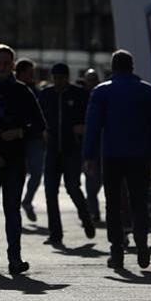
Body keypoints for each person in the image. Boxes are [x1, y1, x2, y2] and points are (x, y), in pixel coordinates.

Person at [84, 50, 151, 271]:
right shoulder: (148, 91)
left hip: (112, 155)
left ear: (112, 67)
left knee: (113, 204)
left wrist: (89, 156)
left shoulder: (101, 92)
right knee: (139, 201)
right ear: (132, 66)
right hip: (140, 155)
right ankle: (142, 242)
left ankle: (117, 251)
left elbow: (93, 126)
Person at [0, 43, 45, 276]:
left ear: (12, 65)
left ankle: (14, 258)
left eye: (6, 63)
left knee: (12, 209)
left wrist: (20, 132)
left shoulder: (23, 91)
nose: (2, 67)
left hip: (14, 159)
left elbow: (39, 124)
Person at [37, 62, 95, 246]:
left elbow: (90, 118)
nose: (58, 82)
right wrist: (42, 131)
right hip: (52, 149)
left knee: (72, 187)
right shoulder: (46, 95)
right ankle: (55, 234)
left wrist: (83, 129)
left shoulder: (79, 94)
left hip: (72, 149)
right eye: (55, 78)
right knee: (50, 191)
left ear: (67, 77)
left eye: (61, 78)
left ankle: (86, 218)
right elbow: (37, 116)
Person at [15, 58, 43, 222]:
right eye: (29, 72)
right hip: (17, 138)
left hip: (34, 137)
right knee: (17, 175)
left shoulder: (36, 90)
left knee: (37, 173)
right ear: (20, 73)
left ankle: (26, 201)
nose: (32, 75)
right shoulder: (12, 89)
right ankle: (16, 206)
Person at [81, 68, 103, 222]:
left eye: (94, 79)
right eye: (89, 79)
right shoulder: (81, 97)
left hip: (102, 143)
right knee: (91, 182)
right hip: (89, 144)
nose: (92, 82)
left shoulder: (102, 94)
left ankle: (92, 209)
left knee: (98, 181)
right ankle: (93, 211)